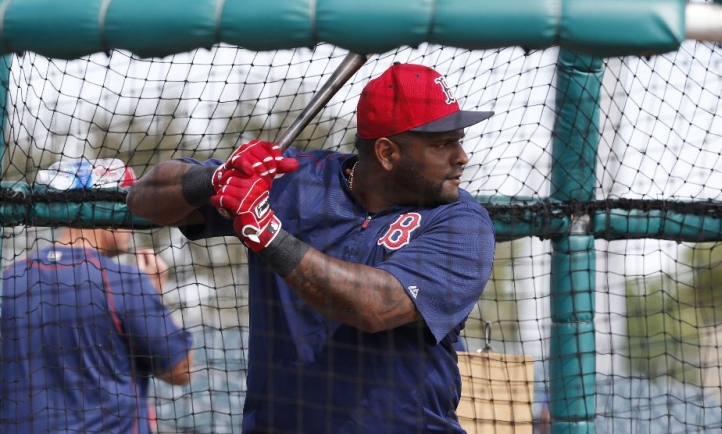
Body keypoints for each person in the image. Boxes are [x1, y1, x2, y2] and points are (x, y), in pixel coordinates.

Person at [126, 62, 496, 433]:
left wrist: (269, 235)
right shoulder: (292, 180)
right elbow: (143, 199)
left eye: (458, 140)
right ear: (387, 152)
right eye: (443, 144)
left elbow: (377, 306)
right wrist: (217, 178)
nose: (461, 156)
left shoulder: (461, 222)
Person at [1, 223, 194, 433]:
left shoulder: (10, 278)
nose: (130, 226)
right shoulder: (124, 282)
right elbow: (180, 370)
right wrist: (152, 294)